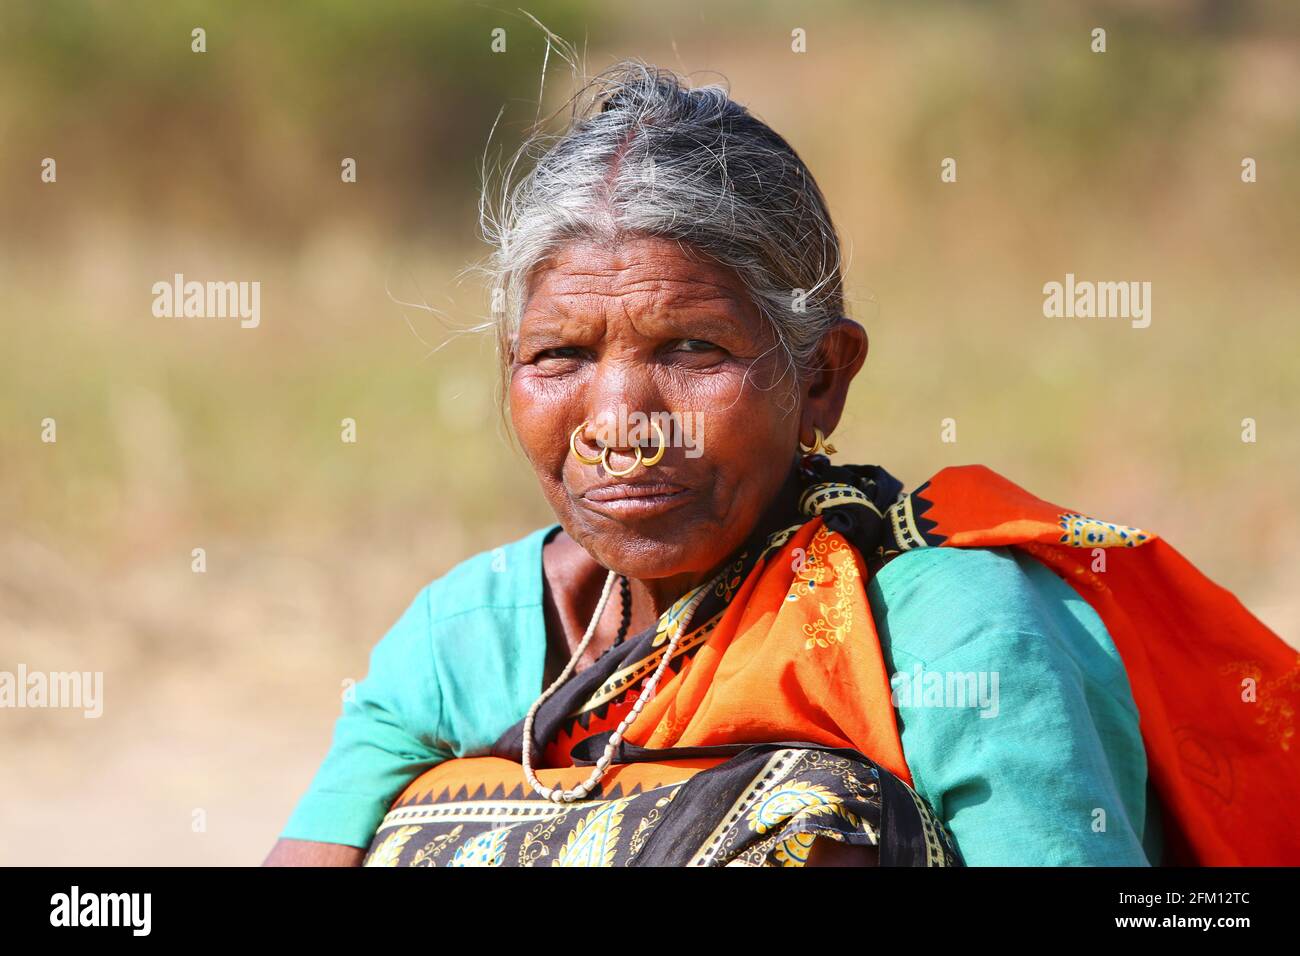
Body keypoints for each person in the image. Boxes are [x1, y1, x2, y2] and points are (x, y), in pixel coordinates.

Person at [264, 62, 1298, 867]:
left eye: (692, 350)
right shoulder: (465, 640)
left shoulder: (950, 631)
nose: (622, 422)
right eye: (559, 356)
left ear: (820, 380)